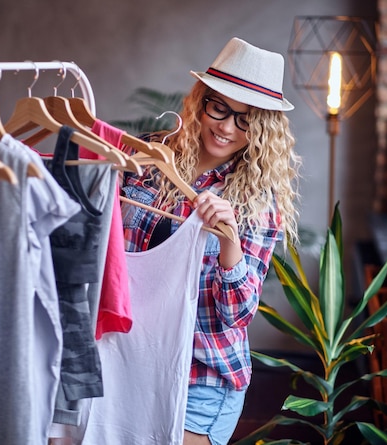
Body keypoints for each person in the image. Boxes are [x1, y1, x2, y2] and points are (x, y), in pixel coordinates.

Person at [119, 37, 301, 445]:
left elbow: (235, 317)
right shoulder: (147, 162)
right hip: (131, 358)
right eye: (220, 107)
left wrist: (230, 243)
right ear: (201, 101)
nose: (226, 126)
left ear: (262, 129)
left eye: (245, 119)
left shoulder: (256, 200)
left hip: (200, 377)